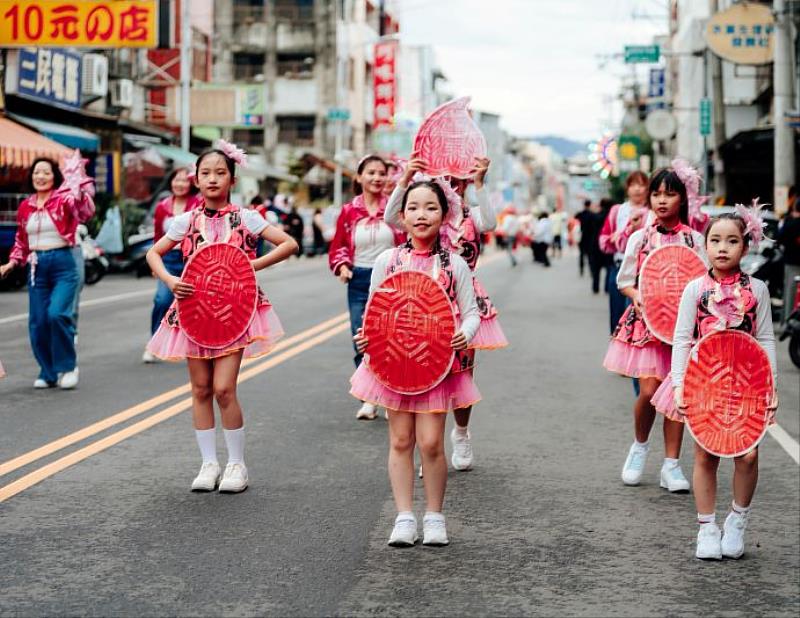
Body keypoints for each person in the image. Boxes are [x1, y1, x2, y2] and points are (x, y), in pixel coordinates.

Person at [145, 141, 297, 493]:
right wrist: (170, 279)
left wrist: (251, 265)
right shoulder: (186, 221)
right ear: (195, 180)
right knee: (200, 389)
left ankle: (236, 465)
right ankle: (208, 463)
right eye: (205, 173)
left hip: (236, 312)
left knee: (223, 389)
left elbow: (288, 244)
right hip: (194, 311)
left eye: (220, 173)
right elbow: (154, 253)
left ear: (232, 179)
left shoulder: (246, 217)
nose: (212, 179)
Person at [351, 179, 481, 547]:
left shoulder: (454, 264)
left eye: (430, 208)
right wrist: (367, 337)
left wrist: (464, 334)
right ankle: (405, 516)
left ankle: (435, 516)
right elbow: (376, 310)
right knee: (401, 439)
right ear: (402, 216)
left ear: (444, 216)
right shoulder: (387, 260)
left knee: (432, 444)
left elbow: (471, 313)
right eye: (413, 208)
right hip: (394, 364)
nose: (421, 215)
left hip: (437, 367)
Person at [651, 209, 778, 560]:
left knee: (748, 455)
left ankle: (737, 520)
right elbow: (681, 339)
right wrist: (679, 385)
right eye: (715, 240)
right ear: (705, 245)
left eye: (732, 241)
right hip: (704, 382)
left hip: (748, 385)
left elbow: (765, 339)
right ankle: (706, 527)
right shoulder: (695, 289)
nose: (723, 248)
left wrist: (771, 387)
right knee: (705, 453)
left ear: (746, 246)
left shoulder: (759, 290)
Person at [385, 155, 507, 472]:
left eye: (459, 178)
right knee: (420, 367)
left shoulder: (470, 216)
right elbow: (391, 216)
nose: (452, 181)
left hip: (461, 299)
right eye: (446, 176)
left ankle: (462, 432)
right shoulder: (423, 214)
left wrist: (481, 184)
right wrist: (406, 177)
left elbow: (491, 224)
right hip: (419, 298)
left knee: (462, 372)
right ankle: (430, 446)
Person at [603, 164, 708, 492]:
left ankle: (671, 465)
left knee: (676, 396)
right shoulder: (640, 236)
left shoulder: (695, 239)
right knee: (648, 393)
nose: (662, 200)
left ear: (682, 199)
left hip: (683, 329)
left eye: (670, 193)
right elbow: (624, 281)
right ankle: (639, 446)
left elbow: (705, 280)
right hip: (647, 325)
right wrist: (636, 295)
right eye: (657, 193)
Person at [0, 155, 95, 389]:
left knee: (58, 314)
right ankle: (48, 370)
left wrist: (79, 188)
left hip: (64, 263)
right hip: (37, 267)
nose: (40, 177)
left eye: (46, 172)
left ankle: (68, 366)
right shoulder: (26, 206)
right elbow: (21, 240)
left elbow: (84, 211)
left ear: (55, 177)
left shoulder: (64, 200)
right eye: (36, 173)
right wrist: (11, 263)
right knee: (38, 322)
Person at [329, 155, 406, 419]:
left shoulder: (394, 210)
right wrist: (342, 266)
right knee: (362, 339)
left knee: (392, 339)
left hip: (391, 279)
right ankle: (369, 397)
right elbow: (338, 245)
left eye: (381, 173)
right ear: (359, 177)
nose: (376, 177)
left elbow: (408, 241)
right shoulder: (349, 211)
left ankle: (392, 393)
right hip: (359, 281)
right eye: (370, 172)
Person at [142, 166, 200, 363]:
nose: (180, 184)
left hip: (191, 260)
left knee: (191, 304)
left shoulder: (198, 204)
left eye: (185, 180)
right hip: (167, 259)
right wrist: (154, 264)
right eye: (177, 179)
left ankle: (192, 344)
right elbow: (158, 236)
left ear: (191, 183)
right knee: (162, 300)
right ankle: (154, 344)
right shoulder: (162, 206)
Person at [599, 171, 649, 333]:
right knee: (617, 317)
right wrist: (624, 233)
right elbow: (605, 241)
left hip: (643, 272)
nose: (637, 189)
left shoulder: (652, 212)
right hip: (618, 267)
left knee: (637, 319)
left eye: (641, 185)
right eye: (633, 185)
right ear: (627, 188)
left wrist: (621, 235)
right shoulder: (617, 211)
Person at [777, 187, 800, 324]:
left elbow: (779, 239)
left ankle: (787, 319)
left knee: (790, 291)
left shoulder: (788, 223)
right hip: (792, 261)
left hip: (791, 262)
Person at [574, 200, 593, 276]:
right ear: (590, 205)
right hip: (590, 237)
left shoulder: (581, 213)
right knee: (590, 255)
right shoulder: (592, 214)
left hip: (582, 236)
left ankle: (581, 269)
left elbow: (575, 216)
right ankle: (591, 270)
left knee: (581, 255)